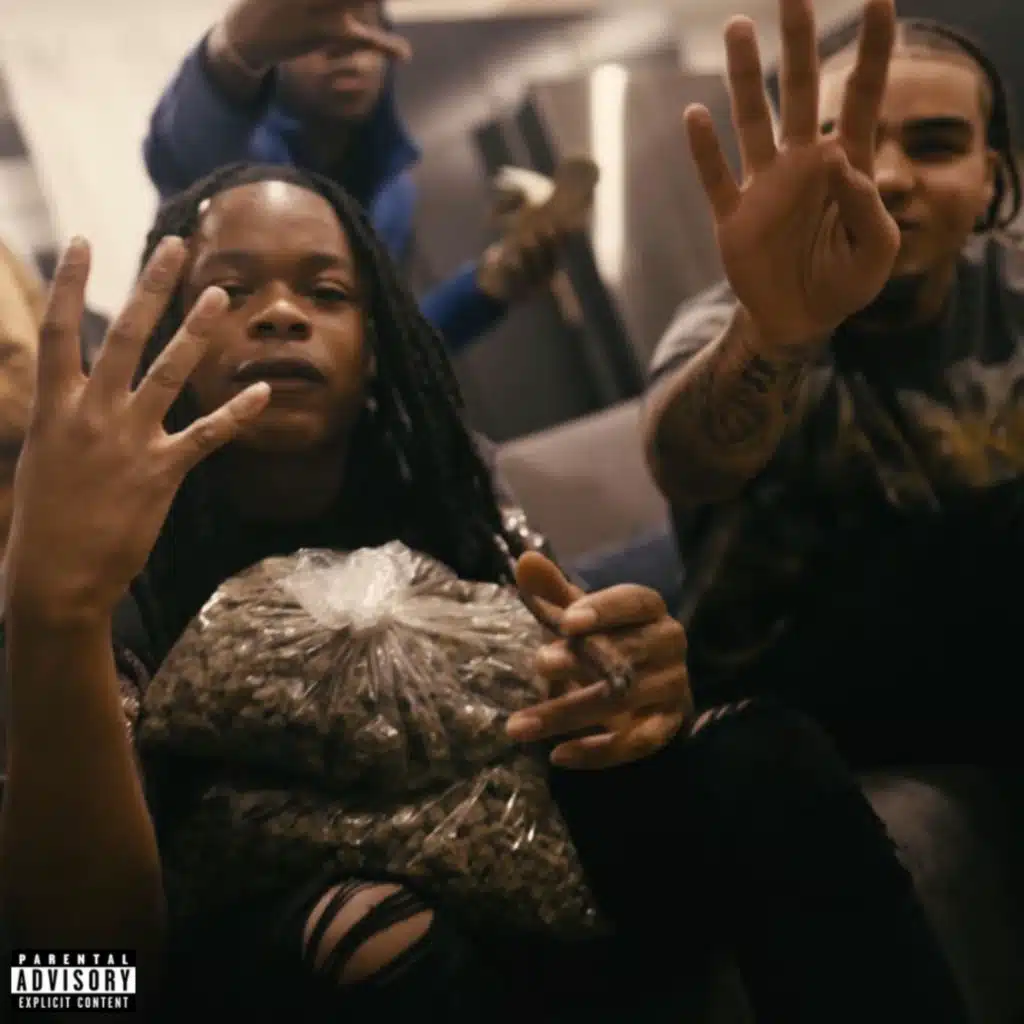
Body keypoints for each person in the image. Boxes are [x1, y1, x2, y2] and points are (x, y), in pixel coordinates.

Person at [2, 161, 968, 1023]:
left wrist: (634, 691)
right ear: (164, 341)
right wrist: (57, 614)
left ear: (378, 346)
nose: (282, 314)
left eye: (327, 292)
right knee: (369, 931)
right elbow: (64, 982)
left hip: (525, 880)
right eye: (230, 291)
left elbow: (587, 708)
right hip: (279, 954)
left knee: (765, 750)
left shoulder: (448, 487)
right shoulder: (101, 551)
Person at [644, 0, 1024, 824]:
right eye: (846, 148)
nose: (886, 178)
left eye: (935, 145)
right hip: (791, 705)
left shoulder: (1013, 295)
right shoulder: (732, 321)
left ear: (993, 177)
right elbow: (689, 464)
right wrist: (779, 332)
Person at [144, 0, 573, 356]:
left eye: (363, 27)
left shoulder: (393, 198)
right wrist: (234, 50)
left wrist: (488, 286)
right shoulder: (236, 164)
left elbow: (376, 355)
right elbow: (181, 145)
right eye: (316, 32)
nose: (344, 47)